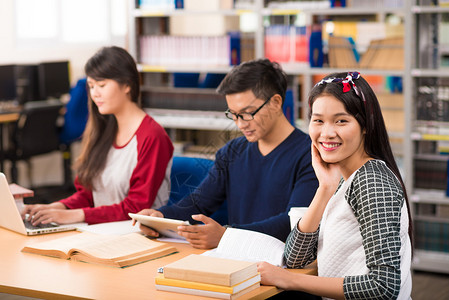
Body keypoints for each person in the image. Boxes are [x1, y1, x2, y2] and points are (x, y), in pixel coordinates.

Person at [257, 72, 413, 299]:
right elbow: (294, 258)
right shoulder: (343, 176)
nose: (327, 133)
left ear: (365, 125)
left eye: (341, 120)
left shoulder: (372, 182)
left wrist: (287, 280)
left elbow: (383, 287)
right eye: (318, 120)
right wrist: (324, 189)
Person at [136, 59, 318, 249]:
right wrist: (161, 216)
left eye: (247, 113)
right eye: (233, 114)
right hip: (235, 258)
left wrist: (228, 235)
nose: (240, 124)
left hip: (283, 263)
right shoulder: (232, 151)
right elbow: (199, 203)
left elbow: (293, 223)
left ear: (275, 102)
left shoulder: (310, 155)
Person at [22, 46, 174, 225]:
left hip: (138, 234)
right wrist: (55, 207)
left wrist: (77, 215)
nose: (95, 94)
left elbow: (135, 208)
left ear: (127, 85)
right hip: (101, 230)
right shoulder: (103, 130)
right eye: (91, 86)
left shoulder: (152, 136)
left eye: (101, 85)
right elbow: (87, 195)